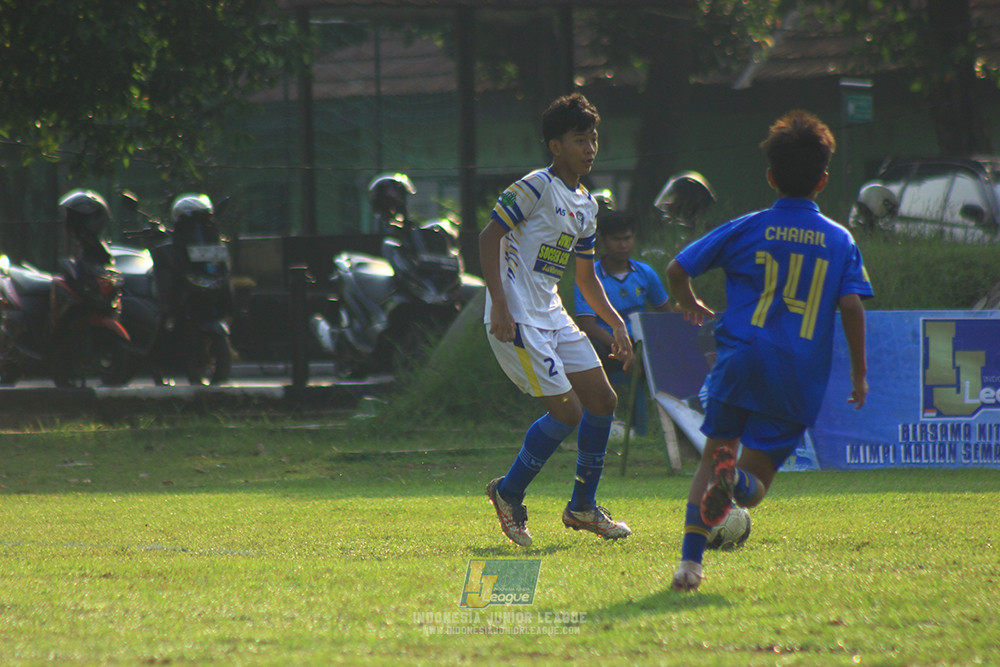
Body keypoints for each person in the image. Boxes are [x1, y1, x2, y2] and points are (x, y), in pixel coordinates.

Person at [665, 110, 873, 592]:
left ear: (770, 178)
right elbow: (850, 306)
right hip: (797, 373)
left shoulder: (747, 227)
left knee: (711, 456)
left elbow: (678, 268)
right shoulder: (840, 240)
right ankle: (734, 485)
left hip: (739, 359)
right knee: (754, 486)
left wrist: (688, 303)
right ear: (822, 181)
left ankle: (690, 565)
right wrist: (860, 375)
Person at [480, 92, 634, 547]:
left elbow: (585, 278)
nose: (589, 148)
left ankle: (583, 507)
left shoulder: (586, 205)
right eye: (579, 139)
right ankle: (508, 494)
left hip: (552, 313)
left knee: (603, 401)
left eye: (593, 139)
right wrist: (501, 305)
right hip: (519, 318)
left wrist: (616, 324)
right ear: (555, 145)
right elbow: (489, 237)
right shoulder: (535, 187)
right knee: (567, 412)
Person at [573, 209, 671, 434]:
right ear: (603, 241)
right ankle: (601, 423)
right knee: (588, 352)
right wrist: (622, 347)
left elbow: (665, 314)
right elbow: (587, 325)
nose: (623, 245)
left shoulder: (645, 273)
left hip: (639, 344)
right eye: (616, 239)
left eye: (627, 238)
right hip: (607, 345)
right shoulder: (590, 276)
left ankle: (658, 427)